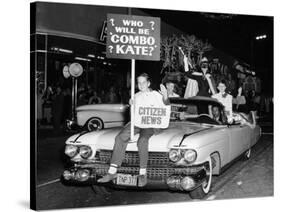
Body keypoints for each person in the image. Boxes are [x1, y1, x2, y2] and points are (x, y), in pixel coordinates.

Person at [98, 73, 169, 186]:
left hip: (150, 124)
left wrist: (165, 95)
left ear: (148, 83)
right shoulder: (135, 95)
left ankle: (142, 173)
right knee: (120, 137)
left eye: (143, 82)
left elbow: (166, 104)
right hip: (136, 123)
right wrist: (131, 104)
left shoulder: (156, 94)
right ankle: (112, 171)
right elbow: (134, 112)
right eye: (139, 83)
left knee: (142, 141)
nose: (141, 85)